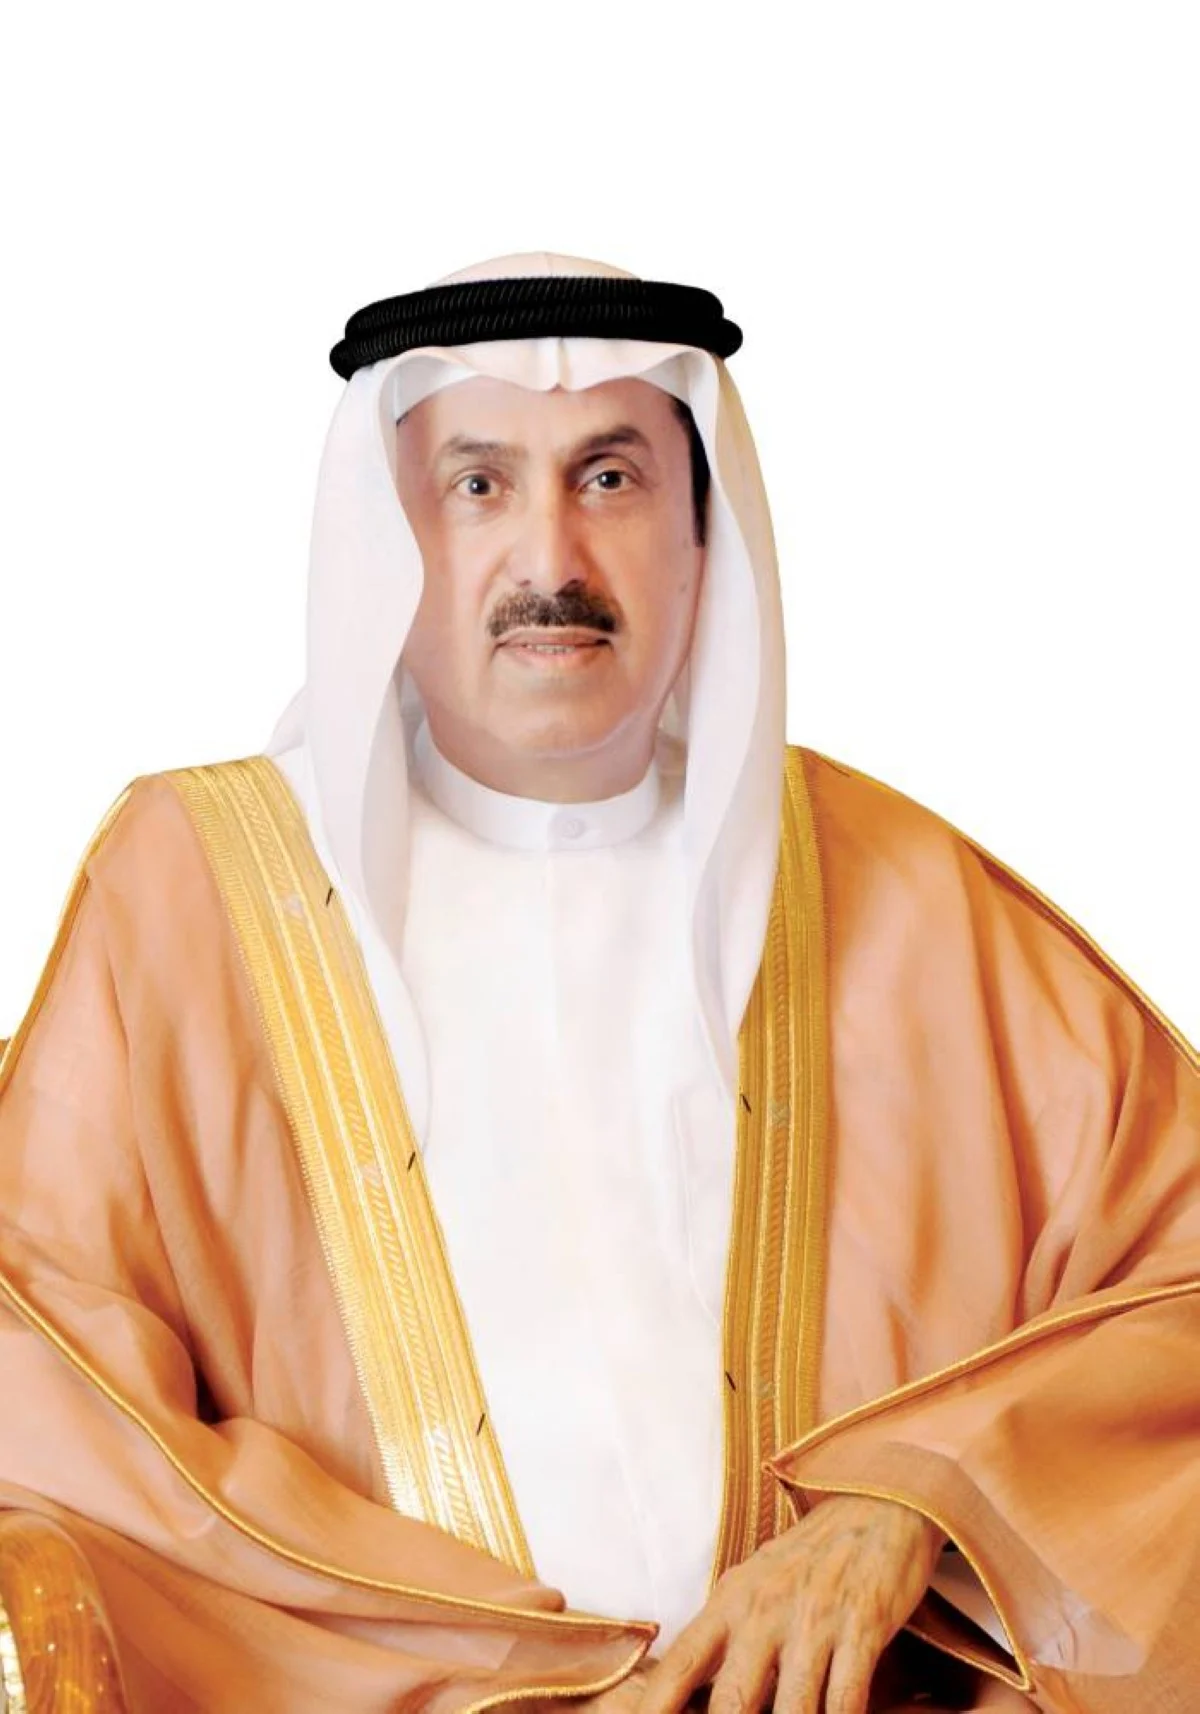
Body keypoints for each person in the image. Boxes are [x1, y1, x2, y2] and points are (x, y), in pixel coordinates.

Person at [0, 251, 1196, 1714]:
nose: (549, 558)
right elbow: (36, 1370)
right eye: (479, 485)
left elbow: (1180, 1275)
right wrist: (476, 1673)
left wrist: (922, 1500)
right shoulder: (194, 886)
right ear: (391, 543)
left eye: (611, 478)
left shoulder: (902, 890)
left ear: (702, 538)